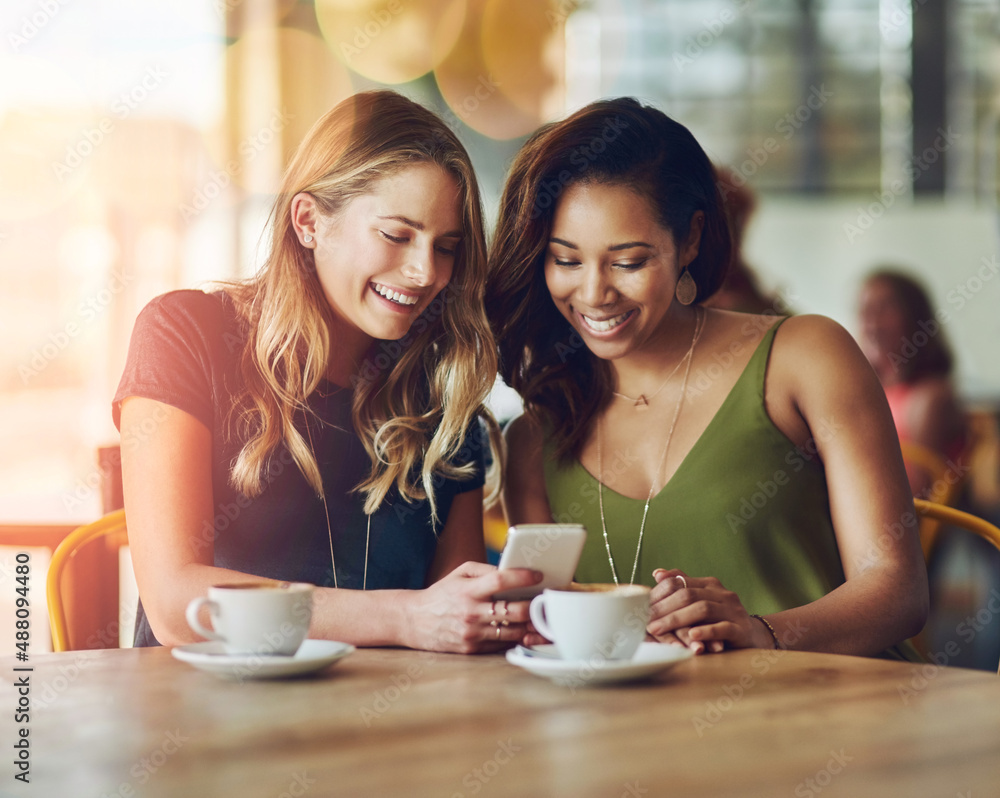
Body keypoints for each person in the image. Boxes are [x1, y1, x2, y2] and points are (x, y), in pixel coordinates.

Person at [486, 97, 928, 658]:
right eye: (566, 260)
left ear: (690, 240)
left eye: (628, 262)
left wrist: (762, 632)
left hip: (837, 716)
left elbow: (899, 591)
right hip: (648, 737)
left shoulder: (805, 356)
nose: (594, 293)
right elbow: (554, 638)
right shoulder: (534, 437)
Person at [115, 90, 540, 653]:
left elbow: (454, 626)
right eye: (396, 235)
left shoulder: (442, 390)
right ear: (310, 220)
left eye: (448, 247)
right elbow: (176, 607)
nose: (424, 272)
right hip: (203, 726)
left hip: (383, 726)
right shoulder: (183, 334)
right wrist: (404, 617)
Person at [857, 269, 967, 498]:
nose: (873, 324)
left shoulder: (930, 398)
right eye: (866, 311)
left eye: (885, 309)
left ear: (915, 318)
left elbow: (916, 496)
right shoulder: (873, 392)